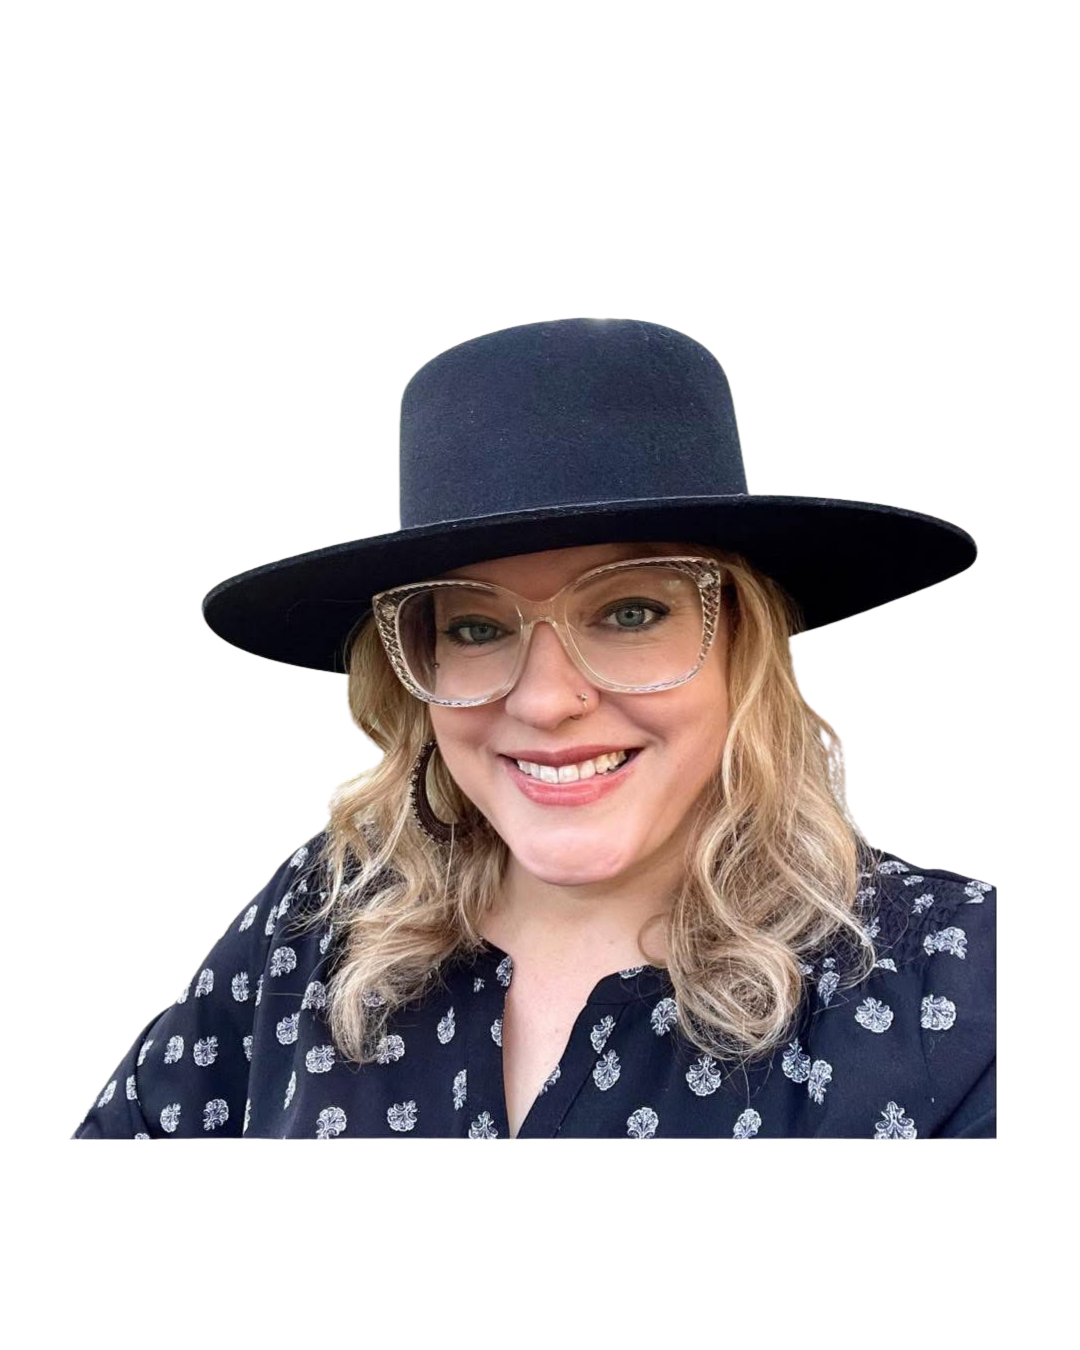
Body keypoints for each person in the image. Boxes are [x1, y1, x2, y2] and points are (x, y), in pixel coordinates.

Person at [71, 318, 995, 1139]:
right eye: (476, 628)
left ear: (744, 645)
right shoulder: (324, 911)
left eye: (630, 612)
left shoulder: (956, 987)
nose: (547, 701)